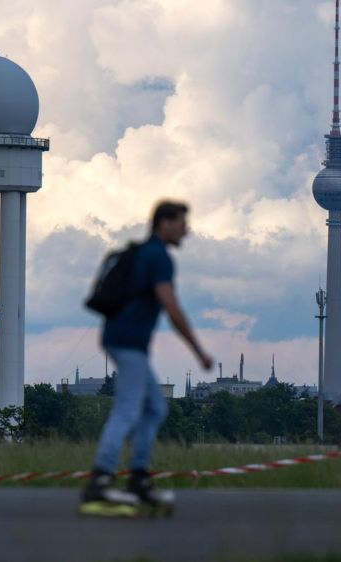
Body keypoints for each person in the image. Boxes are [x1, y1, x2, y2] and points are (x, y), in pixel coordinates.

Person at [80, 200, 213, 516]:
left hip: (122, 338)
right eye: (182, 222)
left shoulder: (144, 253)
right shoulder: (158, 257)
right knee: (127, 409)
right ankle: (100, 479)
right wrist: (198, 349)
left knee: (154, 406)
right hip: (128, 341)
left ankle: (139, 478)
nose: (187, 230)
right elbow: (170, 304)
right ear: (165, 223)